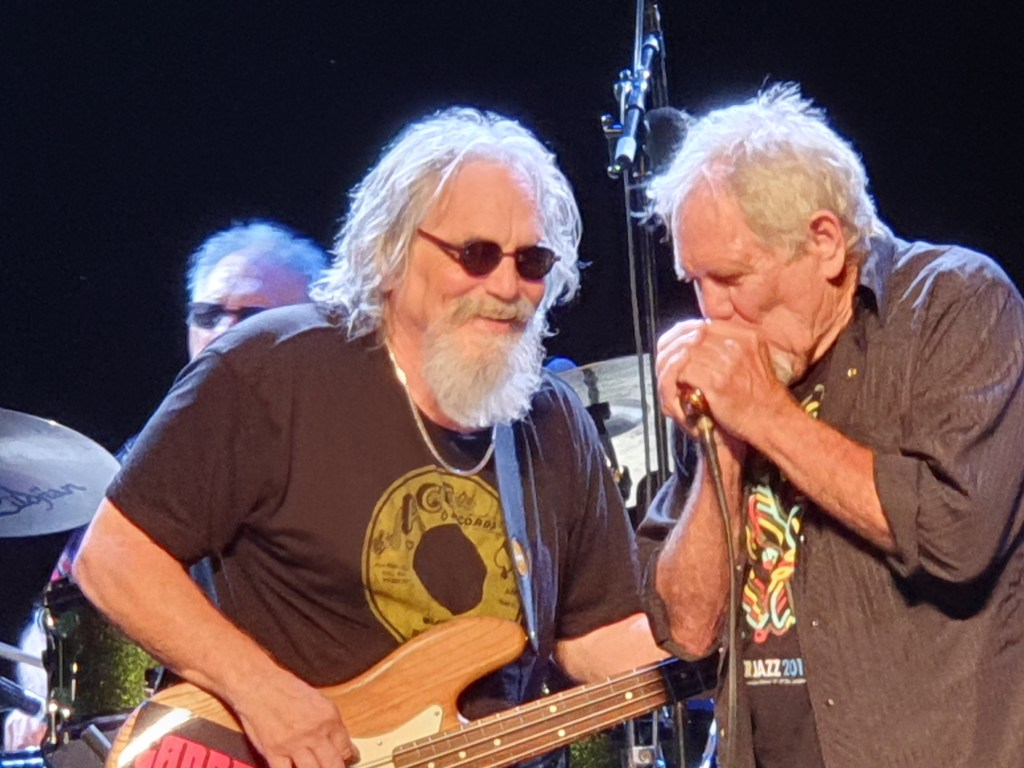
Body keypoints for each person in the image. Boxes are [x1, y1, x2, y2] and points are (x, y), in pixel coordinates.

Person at [71, 108, 665, 768]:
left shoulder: (553, 423)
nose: (506, 287)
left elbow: (596, 638)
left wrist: (725, 636)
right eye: (475, 255)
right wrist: (261, 692)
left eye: (531, 261)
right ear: (391, 253)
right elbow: (114, 557)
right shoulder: (272, 369)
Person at [637, 83, 1024, 767]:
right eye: (695, 281)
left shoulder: (956, 304)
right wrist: (722, 444)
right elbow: (688, 630)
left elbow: (954, 535)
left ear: (824, 242)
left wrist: (765, 415)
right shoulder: (734, 385)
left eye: (731, 277)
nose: (711, 312)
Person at [2, 219, 328, 753]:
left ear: (316, 327)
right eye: (208, 315)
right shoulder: (147, 459)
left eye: (252, 318)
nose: (224, 332)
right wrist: (42, 698)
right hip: (169, 739)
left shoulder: (340, 451)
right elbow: (61, 616)